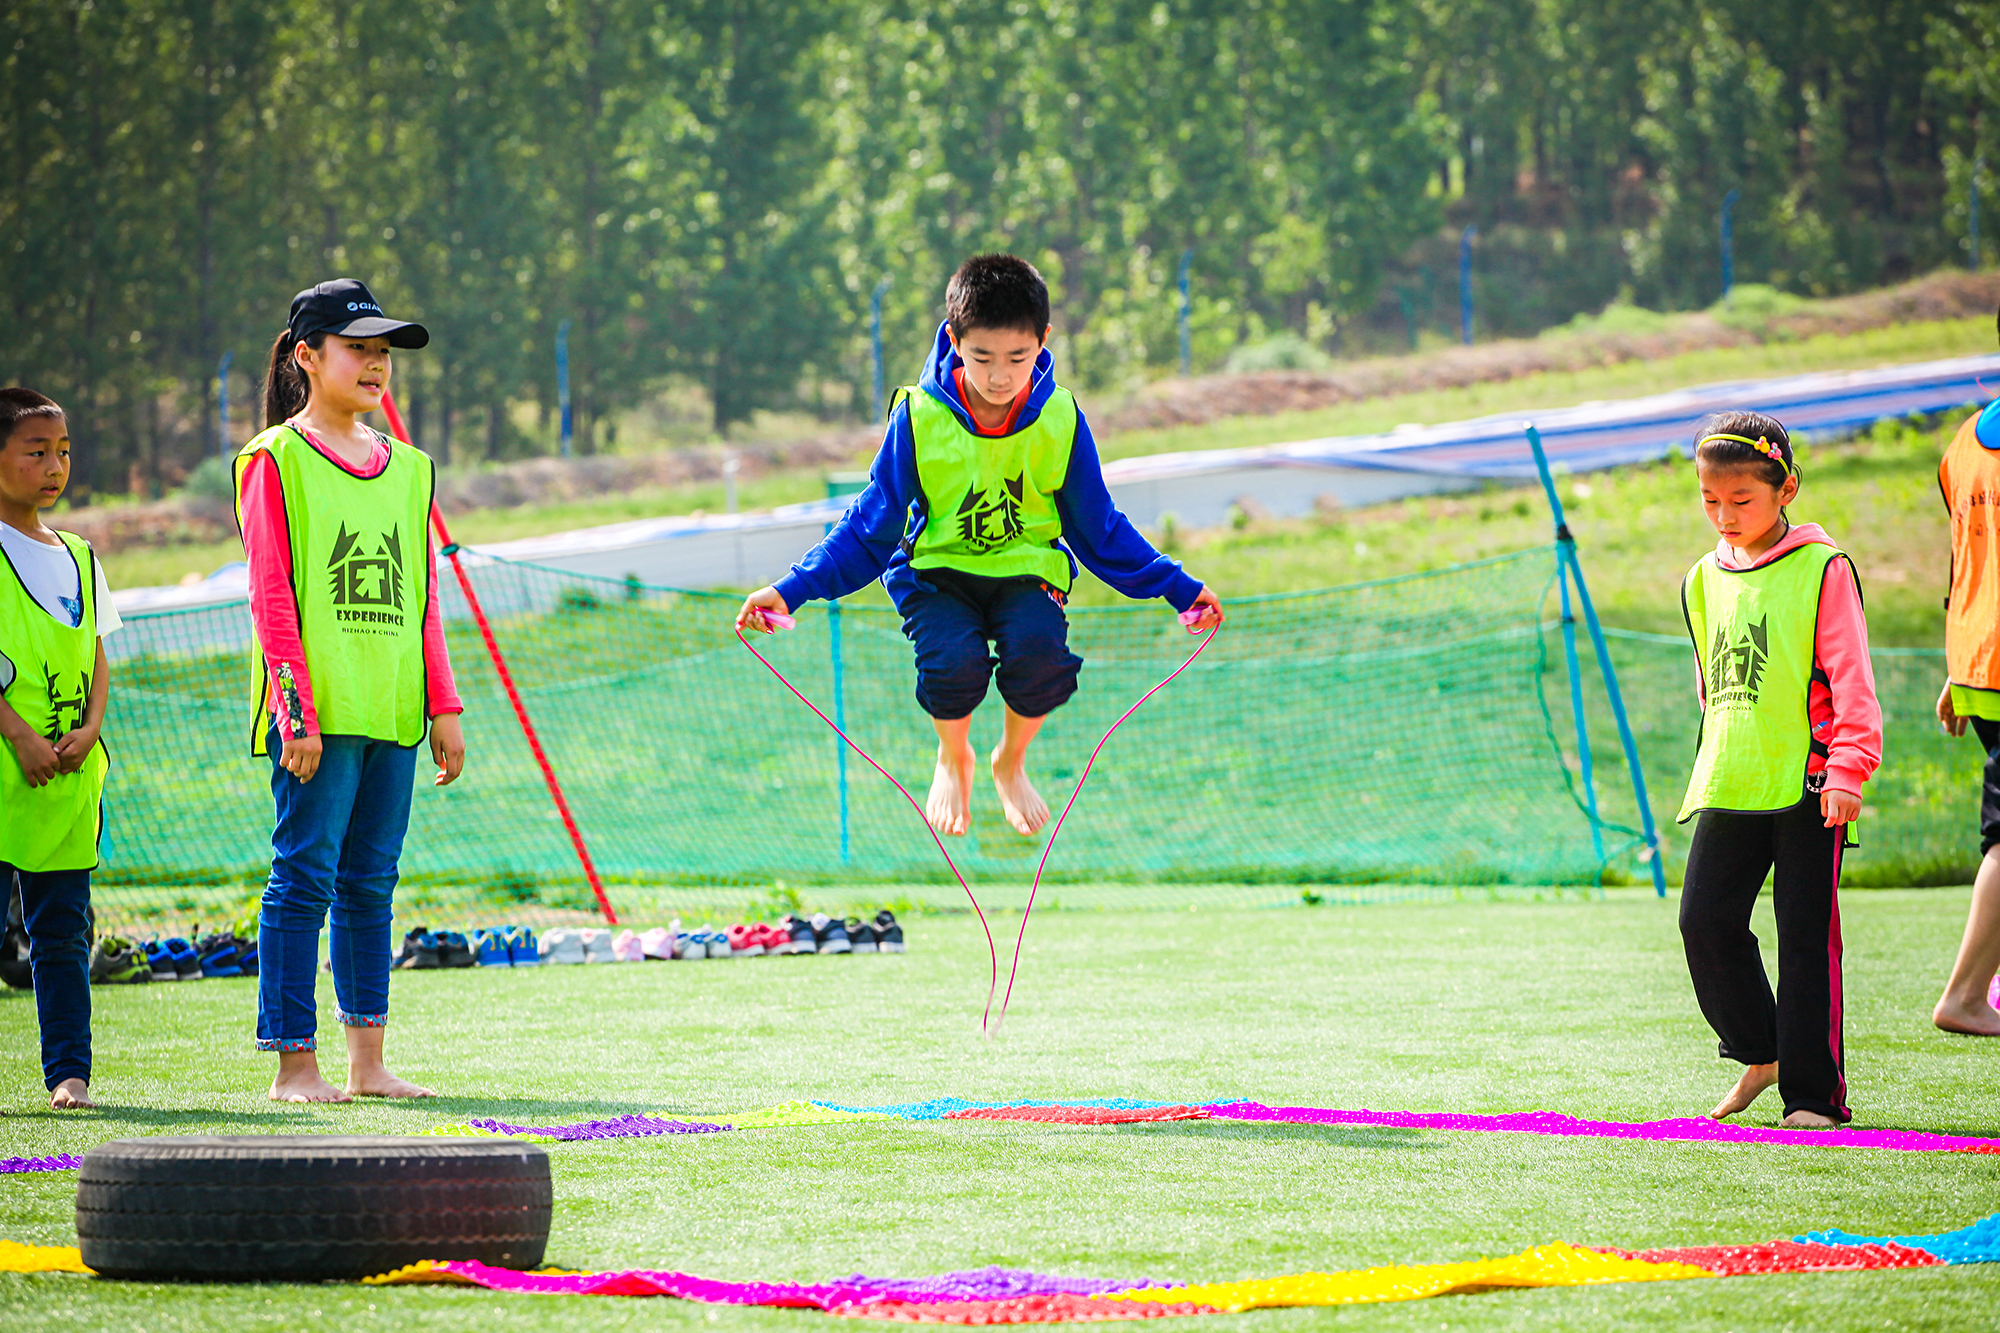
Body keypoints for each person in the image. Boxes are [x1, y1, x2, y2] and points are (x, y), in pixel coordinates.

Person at [735, 254, 1221, 837]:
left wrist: (1179, 588)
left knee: (1040, 654)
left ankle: (1009, 760)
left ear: (1043, 341)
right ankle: (952, 754)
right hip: (936, 572)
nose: (999, 376)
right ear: (954, 340)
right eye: (982, 357)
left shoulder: (1061, 419)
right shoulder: (919, 418)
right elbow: (869, 527)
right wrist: (790, 590)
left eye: (1018, 358)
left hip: (1025, 571)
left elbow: (1099, 529)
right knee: (953, 663)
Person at [235, 278, 465, 1103]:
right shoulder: (273, 459)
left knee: (371, 884)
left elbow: (423, 595)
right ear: (307, 355)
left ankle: (369, 1064)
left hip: (394, 711)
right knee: (304, 879)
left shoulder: (410, 468)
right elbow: (271, 596)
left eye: (384, 352)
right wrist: (295, 712)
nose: (375, 365)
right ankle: (297, 1067)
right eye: (358, 348)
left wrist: (442, 705)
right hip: (316, 718)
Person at [1676, 411, 1881, 1128]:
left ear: (1786, 486)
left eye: (1742, 500)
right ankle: (1758, 1051)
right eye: (1710, 500)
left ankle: (1812, 1096)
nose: (1724, 515)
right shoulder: (1702, 578)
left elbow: (1850, 675)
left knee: (1805, 939)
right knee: (1703, 921)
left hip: (1810, 785)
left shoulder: (1823, 569)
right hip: (1732, 780)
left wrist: (1850, 767)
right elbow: (1714, 686)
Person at [0, 387, 117, 1110]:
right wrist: (17, 732)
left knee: (62, 936)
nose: (54, 465)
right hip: (8, 769)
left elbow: (98, 652)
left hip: (69, 781)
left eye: (63, 451)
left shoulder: (78, 553)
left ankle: (68, 1073)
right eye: (36, 450)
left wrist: (92, 726)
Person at [1931, 376, 2000, 1036]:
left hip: (1980, 664)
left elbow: (1969, 562)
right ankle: (1967, 993)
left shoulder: (1962, 443)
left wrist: (1959, 670)